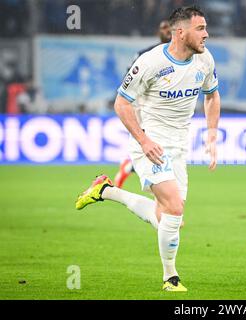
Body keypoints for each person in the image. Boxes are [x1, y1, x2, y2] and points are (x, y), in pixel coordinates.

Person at [75, 5, 220, 292]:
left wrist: (212, 136)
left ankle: (105, 190)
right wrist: (143, 140)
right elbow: (121, 103)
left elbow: (212, 96)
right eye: (200, 28)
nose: (207, 34)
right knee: (174, 208)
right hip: (150, 143)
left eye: (206, 28)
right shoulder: (149, 62)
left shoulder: (205, 61)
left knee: (170, 221)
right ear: (181, 32)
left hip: (179, 145)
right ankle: (171, 277)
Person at [114, 19, 172, 188]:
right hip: (146, 108)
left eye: (170, 27)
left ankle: (130, 167)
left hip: (168, 109)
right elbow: (128, 82)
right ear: (158, 32)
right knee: (155, 147)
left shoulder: (185, 56)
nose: (167, 30)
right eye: (163, 27)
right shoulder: (145, 55)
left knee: (164, 150)